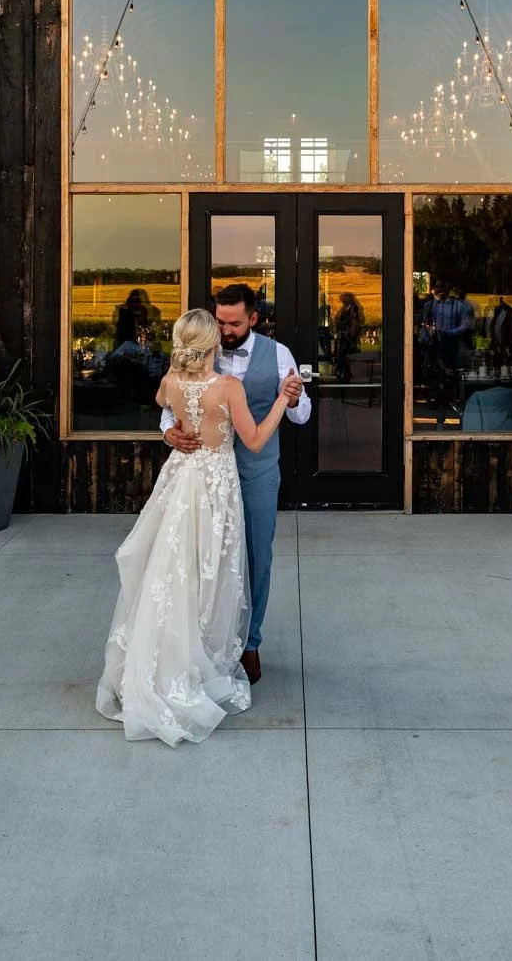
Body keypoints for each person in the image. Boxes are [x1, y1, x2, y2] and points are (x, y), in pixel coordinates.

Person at [96, 308, 294, 747]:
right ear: (214, 344)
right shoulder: (227, 387)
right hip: (216, 487)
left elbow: (162, 404)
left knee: (172, 567)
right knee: (212, 569)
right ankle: (200, 658)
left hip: (181, 479)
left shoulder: (170, 382)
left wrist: (175, 421)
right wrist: (282, 398)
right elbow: (257, 440)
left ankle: (167, 656)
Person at [159, 283, 310, 688]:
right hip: (205, 470)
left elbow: (303, 414)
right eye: (220, 321)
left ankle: (250, 641)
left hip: (258, 471)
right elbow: (170, 408)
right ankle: (207, 641)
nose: (225, 330)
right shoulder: (196, 349)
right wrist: (168, 434)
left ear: (253, 319)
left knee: (257, 554)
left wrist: (291, 399)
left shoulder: (278, 354)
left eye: (234, 323)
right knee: (204, 556)